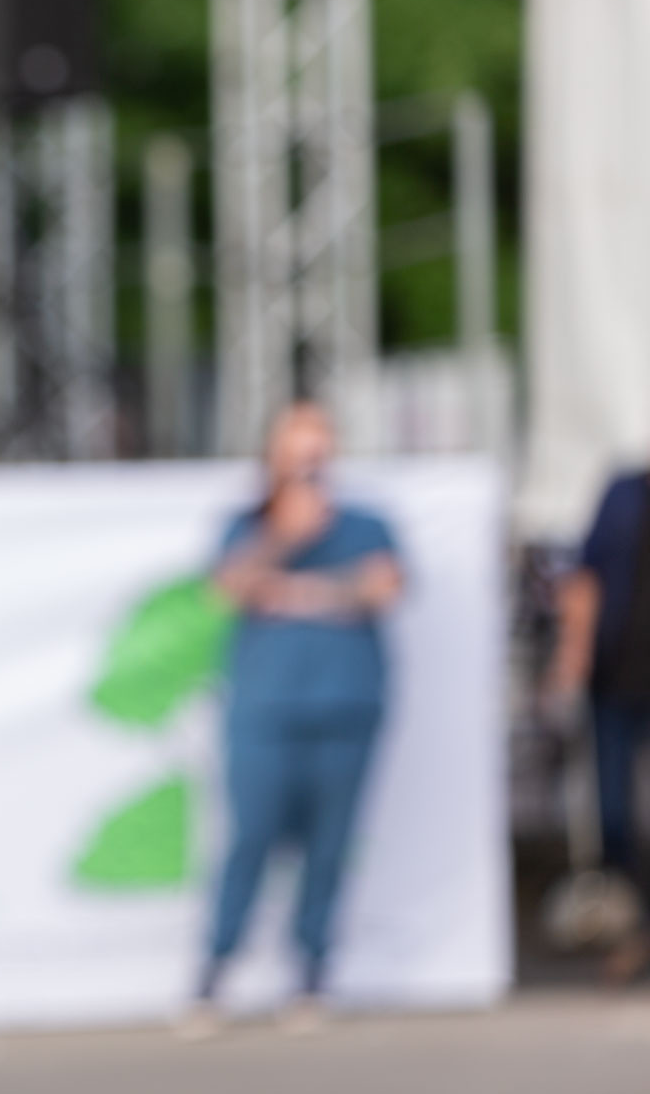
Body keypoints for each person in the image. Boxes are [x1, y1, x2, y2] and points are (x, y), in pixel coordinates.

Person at [186, 402, 403, 1034]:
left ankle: (312, 969)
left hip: (348, 706)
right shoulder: (247, 527)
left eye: (319, 452)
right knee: (249, 838)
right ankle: (216, 968)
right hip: (265, 708)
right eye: (297, 453)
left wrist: (300, 592)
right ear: (275, 458)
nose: (309, 466)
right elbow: (226, 590)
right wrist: (286, 540)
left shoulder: (367, 523)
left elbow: (385, 587)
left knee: (329, 847)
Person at [546, 463, 650, 983]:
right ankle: (633, 932)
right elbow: (584, 581)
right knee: (611, 813)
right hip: (616, 682)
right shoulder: (623, 493)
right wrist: (569, 662)